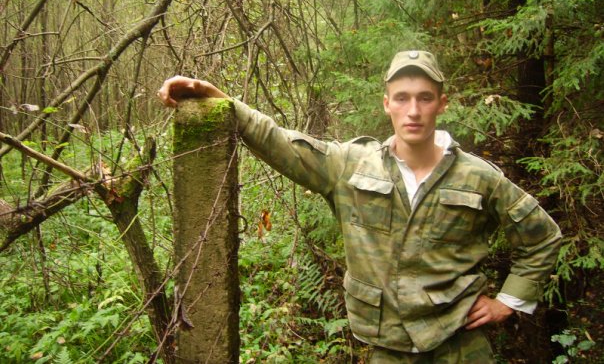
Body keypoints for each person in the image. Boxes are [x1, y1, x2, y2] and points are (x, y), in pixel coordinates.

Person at [158, 50, 562, 363]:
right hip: (386, 347)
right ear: (387, 103)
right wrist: (222, 102)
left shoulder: (478, 176)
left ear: (442, 104)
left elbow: (542, 238)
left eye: (425, 98)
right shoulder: (349, 165)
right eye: (402, 98)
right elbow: (279, 141)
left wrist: (508, 301)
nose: (413, 110)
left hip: (460, 344)